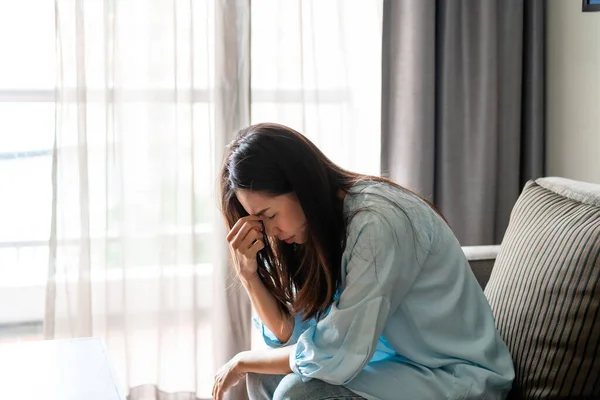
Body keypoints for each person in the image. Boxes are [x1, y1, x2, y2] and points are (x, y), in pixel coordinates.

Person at [212, 123, 514, 400]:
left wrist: (241, 360)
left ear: (299, 185)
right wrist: (249, 276)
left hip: (456, 377)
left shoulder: (375, 224)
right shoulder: (319, 227)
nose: (272, 233)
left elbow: (332, 354)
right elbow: (294, 335)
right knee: (264, 379)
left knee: (296, 393)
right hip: (397, 367)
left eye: (270, 215)